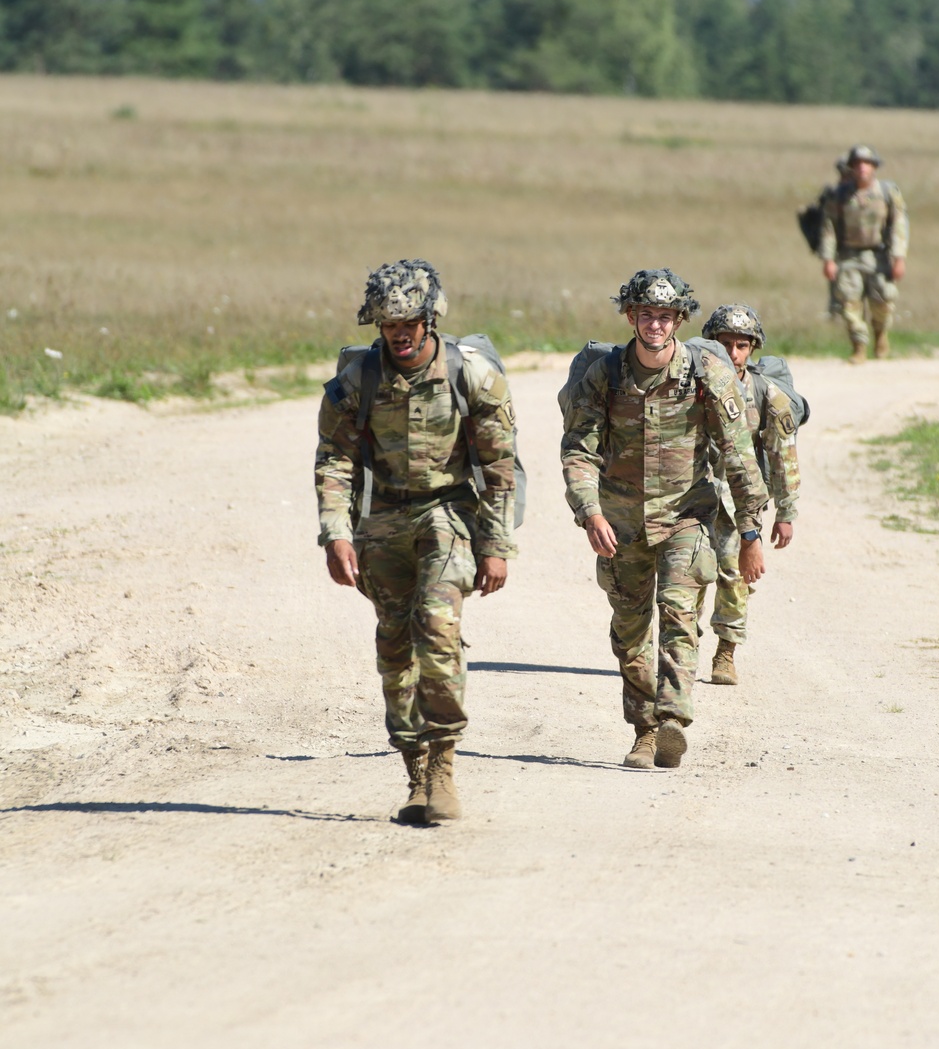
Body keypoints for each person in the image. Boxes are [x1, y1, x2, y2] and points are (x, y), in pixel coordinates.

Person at [315, 260, 517, 825]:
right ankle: (414, 771)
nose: (399, 335)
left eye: (409, 324)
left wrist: (496, 545)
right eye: (388, 326)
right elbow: (335, 460)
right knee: (395, 645)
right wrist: (335, 535)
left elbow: (501, 467)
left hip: (448, 513)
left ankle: (444, 766)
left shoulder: (472, 375)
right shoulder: (359, 378)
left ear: (431, 319)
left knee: (437, 627)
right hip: (382, 521)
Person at [560, 269, 768, 771]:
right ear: (631, 317)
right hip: (619, 522)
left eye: (666, 316)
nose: (656, 324)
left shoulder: (706, 374)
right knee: (630, 633)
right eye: (646, 315)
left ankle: (673, 718)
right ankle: (644, 730)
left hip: (686, 517)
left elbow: (739, 456)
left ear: (679, 320)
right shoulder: (604, 376)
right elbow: (578, 451)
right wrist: (589, 512)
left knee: (678, 614)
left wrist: (750, 532)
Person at [699, 304, 801, 686]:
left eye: (741, 345)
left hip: (740, 499)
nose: (733, 353)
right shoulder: (689, 383)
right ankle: (684, 647)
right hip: (694, 493)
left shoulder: (766, 394)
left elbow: (783, 455)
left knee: (735, 576)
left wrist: (786, 512)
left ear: (753, 348)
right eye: (724, 343)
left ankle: (726, 652)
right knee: (690, 573)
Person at [818, 144, 909, 364]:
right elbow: (828, 228)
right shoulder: (840, 196)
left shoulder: (887, 193)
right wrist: (828, 259)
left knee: (883, 301)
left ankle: (880, 336)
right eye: (857, 164)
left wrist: (899, 257)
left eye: (866, 164)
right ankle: (859, 346)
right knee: (849, 301)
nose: (862, 168)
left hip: (878, 256)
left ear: (874, 167)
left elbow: (899, 224)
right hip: (849, 256)